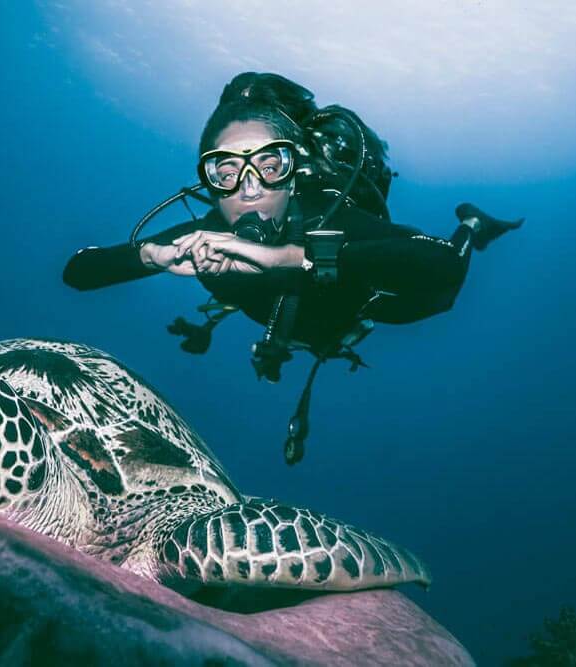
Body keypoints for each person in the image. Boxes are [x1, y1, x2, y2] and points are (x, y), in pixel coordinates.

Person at [62, 72, 522, 464]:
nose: (249, 188)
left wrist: (295, 256)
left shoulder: (326, 212)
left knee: (430, 304)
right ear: (208, 178)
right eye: (225, 170)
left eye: (269, 164)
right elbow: (79, 271)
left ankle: (473, 225)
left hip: (360, 302)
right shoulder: (201, 232)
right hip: (284, 321)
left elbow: (441, 268)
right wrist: (152, 256)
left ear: (294, 167)